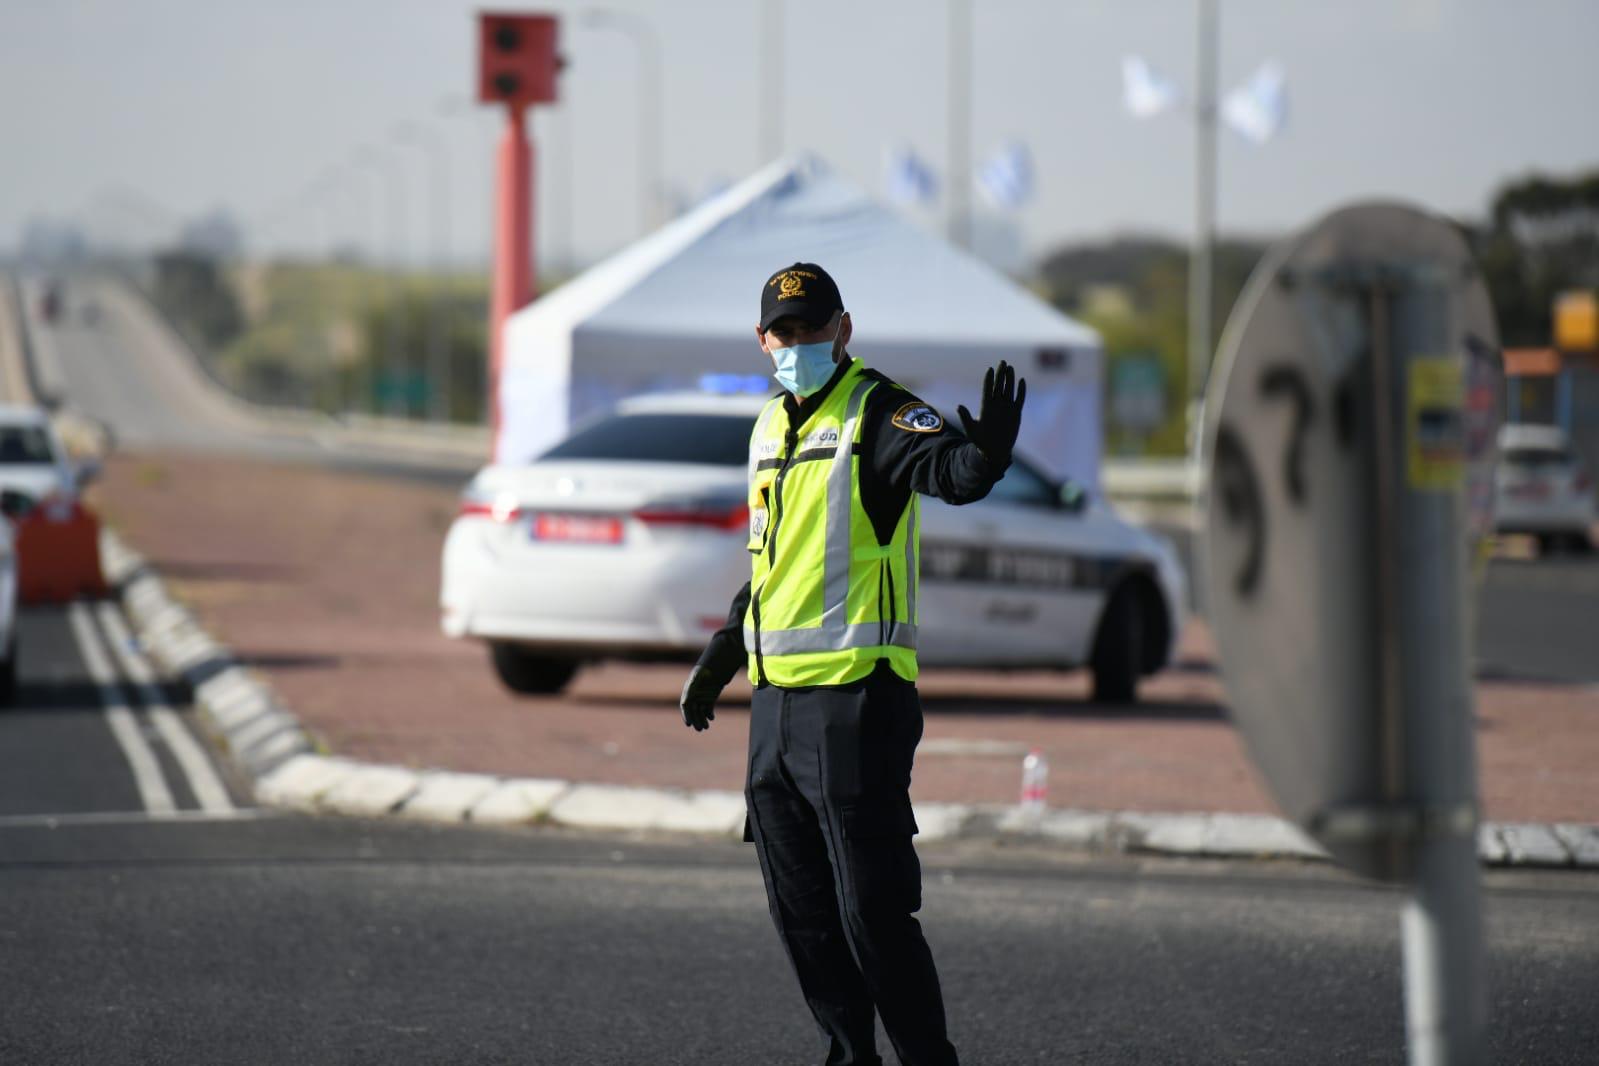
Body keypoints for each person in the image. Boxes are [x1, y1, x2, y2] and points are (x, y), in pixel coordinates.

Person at [680, 262, 1025, 1066]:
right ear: (763, 340)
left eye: (812, 328)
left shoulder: (878, 410)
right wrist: (724, 652)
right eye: (783, 332)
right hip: (775, 713)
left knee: (871, 910)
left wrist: (987, 458)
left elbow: (948, 474)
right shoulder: (768, 426)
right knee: (800, 911)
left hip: (854, 703)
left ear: (842, 328)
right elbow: (773, 561)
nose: (797, 343)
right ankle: (848, 1056)